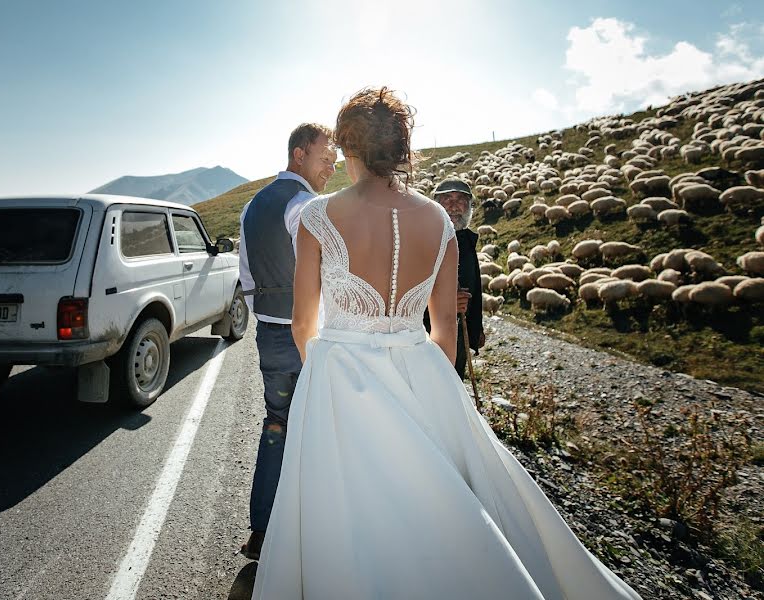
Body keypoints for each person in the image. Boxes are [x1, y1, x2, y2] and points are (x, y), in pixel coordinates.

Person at [251, 88, 642, 599]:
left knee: (349, 522)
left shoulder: (318, 216)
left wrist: (322, 373)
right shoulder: (439, 220)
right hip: (425, 374)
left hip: (339, 379)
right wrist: (424, 385)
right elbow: (445, 334)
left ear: (350, 146)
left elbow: (304, 322)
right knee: (448, 508)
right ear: (400, 148)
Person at [237, 123, 337, 560]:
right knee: (319, 429)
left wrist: (265, 313)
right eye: (324, 159)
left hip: (268, 337)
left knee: (276, 426)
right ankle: (309, 538)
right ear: (299, 155)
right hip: (306, 335)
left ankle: (262, 531)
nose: (331, 168)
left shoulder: (251, 207)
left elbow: (244, 277)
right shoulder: (306, 205)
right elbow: (322, 273)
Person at [424, 177, 485, 382]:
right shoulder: (425, 239)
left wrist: (477, 328)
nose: (454, 205)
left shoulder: (467, 240)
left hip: (460, 332)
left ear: (469, 206)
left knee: (454, 382)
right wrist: (445, 303)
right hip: (428, 334)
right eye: (447, 199)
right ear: (435, 204)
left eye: (460, 199)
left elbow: (475, 288)